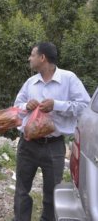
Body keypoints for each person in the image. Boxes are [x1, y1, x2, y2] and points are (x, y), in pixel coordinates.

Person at [13, 42, 91, 221]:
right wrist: (27, 105)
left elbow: (85, 106)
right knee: (21, 190)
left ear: (42, 58)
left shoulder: (69, 79)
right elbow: (17, 107)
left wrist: (56, 105)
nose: (29, 59)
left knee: (51, 193)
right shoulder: (30, 82)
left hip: (53, 146)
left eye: (32, 55)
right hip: (28, 144)